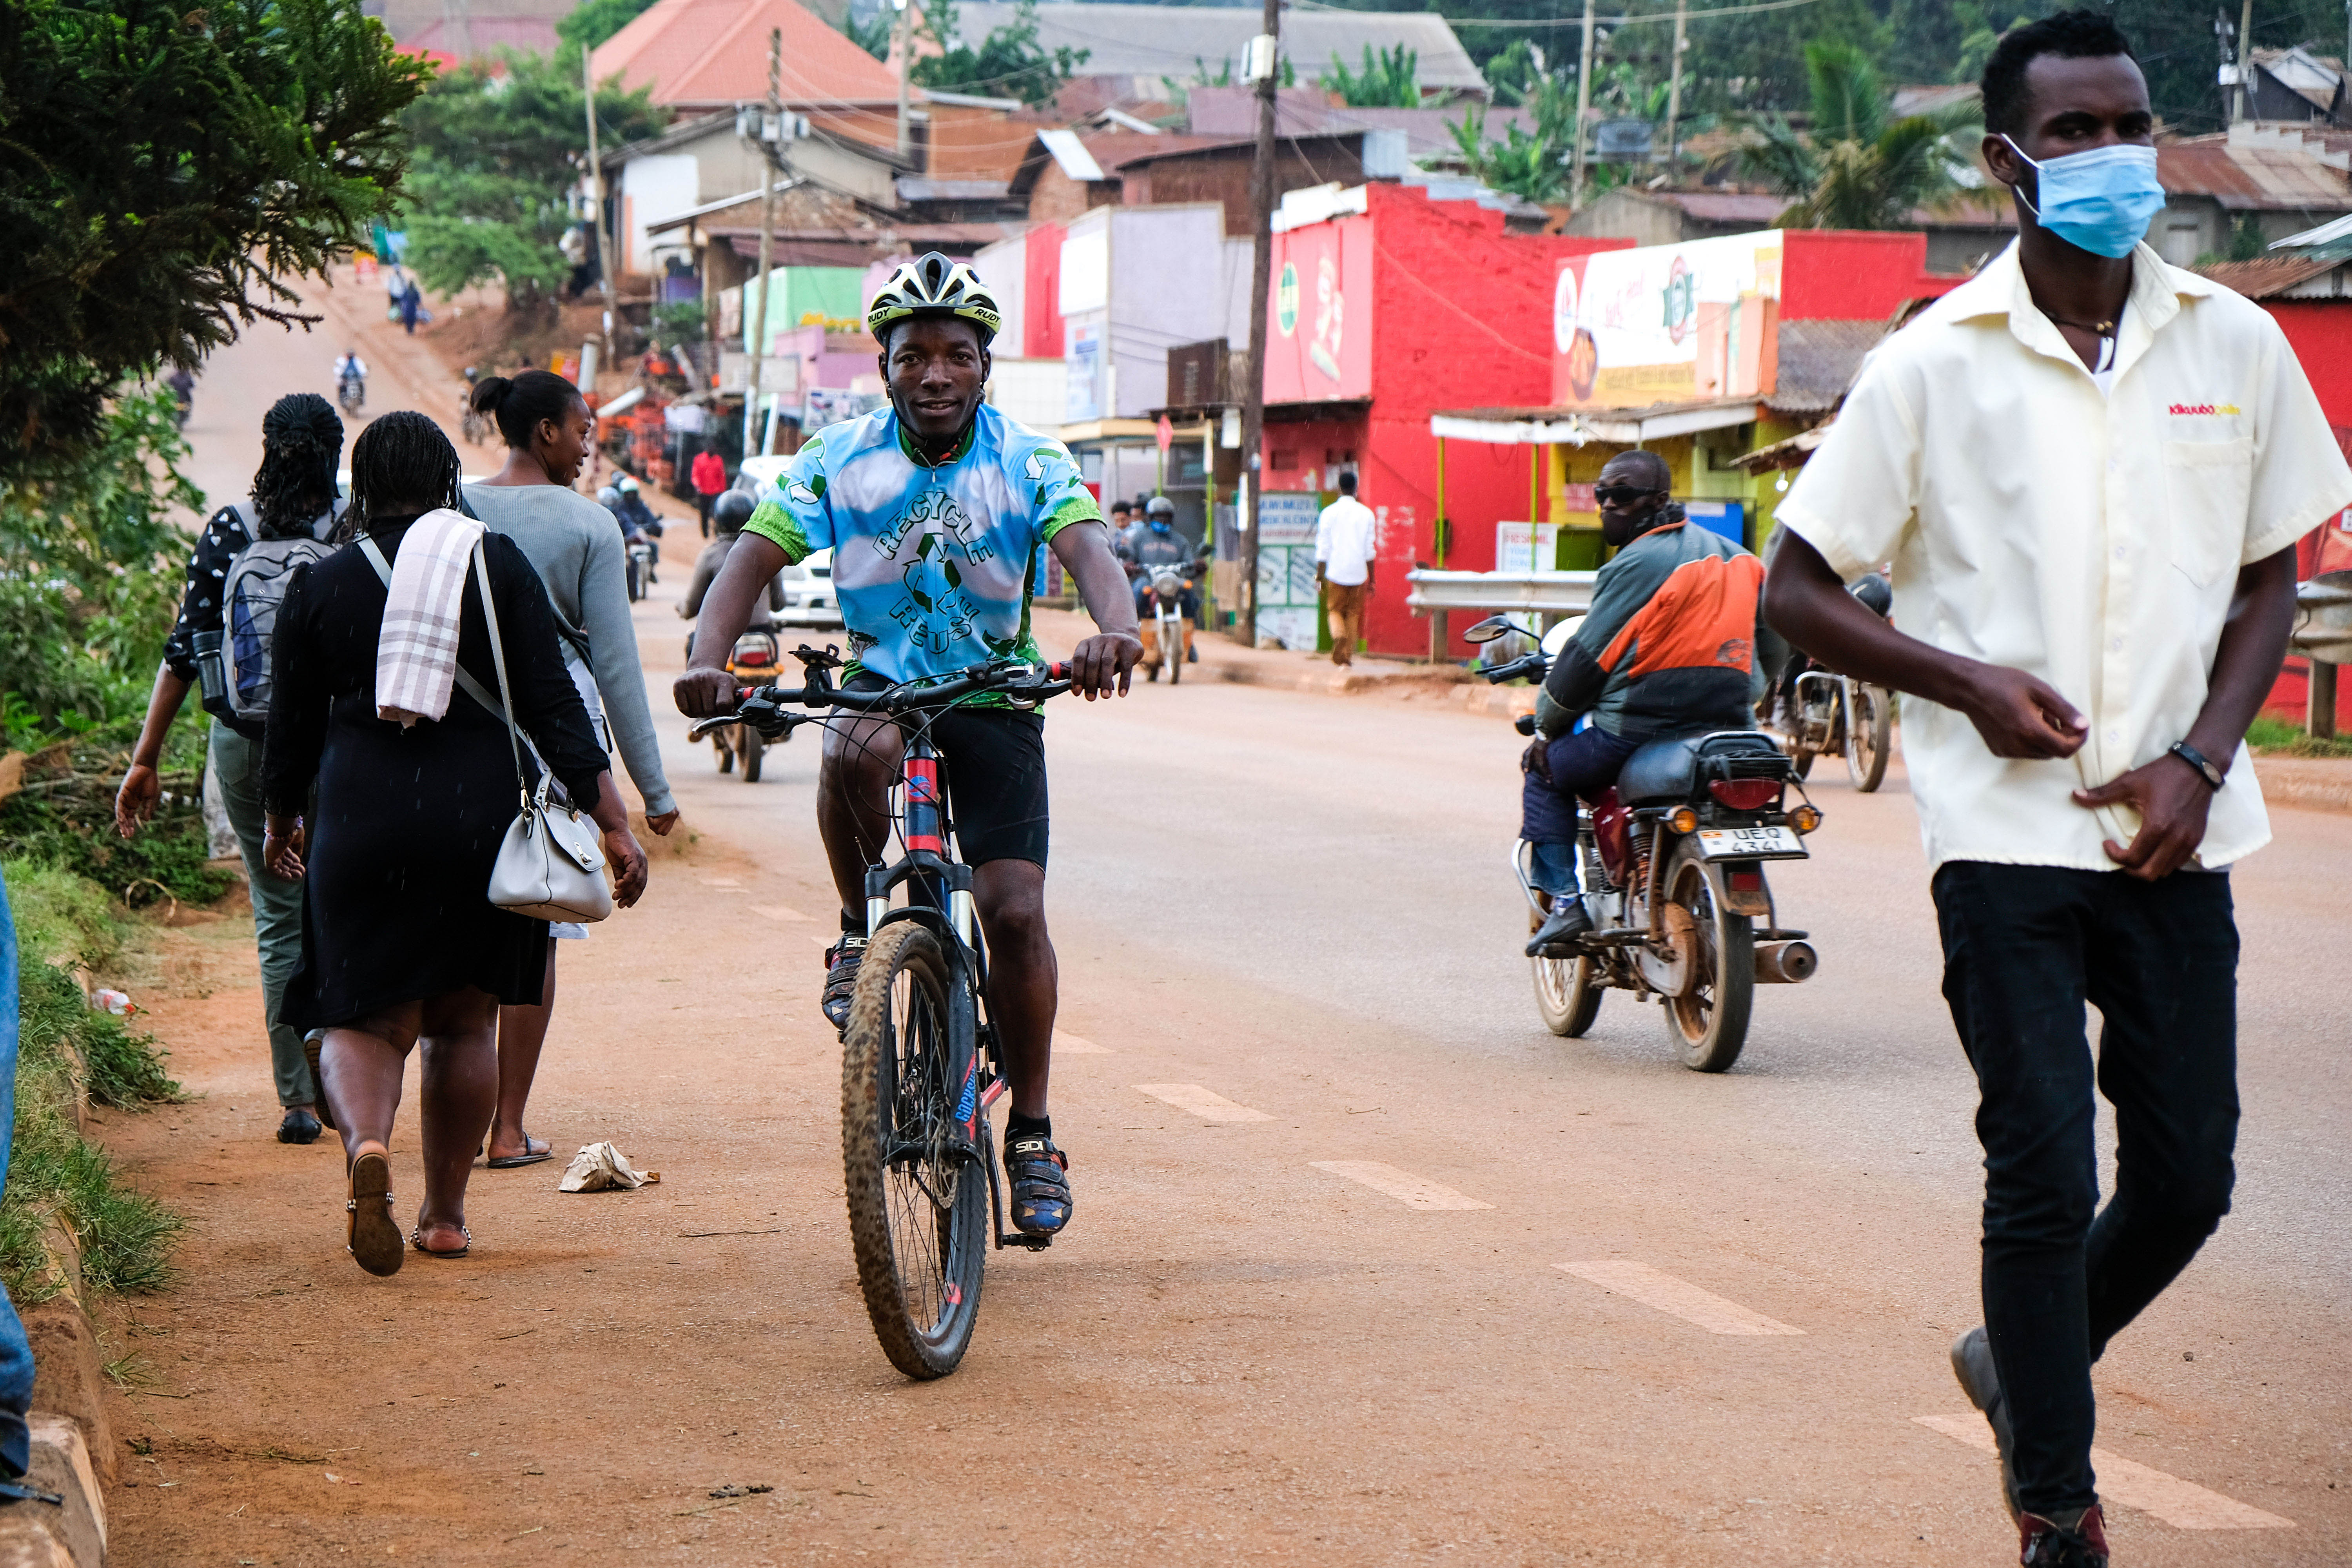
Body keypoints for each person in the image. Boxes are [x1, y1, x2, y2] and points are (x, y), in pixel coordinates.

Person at [1760, 15, 2352, 1566]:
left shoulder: (2233, 341)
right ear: (2005, 162)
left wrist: (2203, 756)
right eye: (2076, 133)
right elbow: (1797, 590)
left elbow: (2273, 571)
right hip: (2006, 839)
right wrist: (1965, 684)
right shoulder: (1930, 366)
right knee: (2040, 1163)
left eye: (2130, 125)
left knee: (2192, 1173)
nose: (2113, 158)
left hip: (2177, 833)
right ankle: (2057, 1508)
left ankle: (2017, 1358)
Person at [674, 252, 1143, 1238]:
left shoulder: (1031, 458)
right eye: (913, 356)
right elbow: (750, 557)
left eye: (957, 355)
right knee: (849, 751)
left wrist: (1118, 630)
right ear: (883, 369)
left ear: (985, 367)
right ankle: (857, 931)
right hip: (884, 686)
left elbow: (1090, 553)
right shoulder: (835, 458)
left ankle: (1034, 1136)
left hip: (996, 698)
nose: (935, 373)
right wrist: (707, 658)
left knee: (1014, 913)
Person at [261, 412, 646, 1274]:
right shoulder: (495, 561)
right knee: (463, 1020)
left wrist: (282, 818)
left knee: (365, 1013)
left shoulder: (321, 583)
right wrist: (613, 820)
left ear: (360, 486)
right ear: (445, 482)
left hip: (358, 816)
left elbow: (288, 728)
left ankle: (366, 1144)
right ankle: (443, 1215)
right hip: (479, 816)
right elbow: (553, 705)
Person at [115, 393, 349, 1145]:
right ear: (334, 451)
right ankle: (350, 1078)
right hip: (342, 746)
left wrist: (145, 758)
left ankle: (298, 1101)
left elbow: (187, 648)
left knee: (278, 917)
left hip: (246, 744)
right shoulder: (353, 525)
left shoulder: (229, 528)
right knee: (341, 907)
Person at [463, 371, 680, 1168]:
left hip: (460, 727)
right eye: (584, 428)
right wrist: (648, 793)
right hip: (556, 736)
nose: (591, 444)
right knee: (537, 923)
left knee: (466, 924)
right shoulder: (591, 524)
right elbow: (617, 667)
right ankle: (508, 1127)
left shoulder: (454, 503)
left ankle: (445, 1116)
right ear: (547, 432)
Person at [1521, 450, 1783, 955]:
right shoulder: (1741, 558)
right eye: (1602, 494)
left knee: (1544, 771)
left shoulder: (1638, 562)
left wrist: (1546, 728)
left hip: (1636, 730)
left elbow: (1586, 659)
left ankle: (1563, 903)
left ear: (1659, 501)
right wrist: (1748, 686)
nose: (1607, 506)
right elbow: (1773, 637)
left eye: (1621, 494)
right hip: (1727, 724)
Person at [681, 490, 784, 637]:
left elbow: (692, 607)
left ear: (717, 522)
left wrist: (682, 609)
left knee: (693, 647)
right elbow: (779, 604)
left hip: (721, 637)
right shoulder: (769, 552)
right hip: (763, 634)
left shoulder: (710, 555)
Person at [1314, 471, 1376, 667]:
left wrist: (1319, 576)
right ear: (1356, 488)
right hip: (1358, 573)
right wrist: (1372, 579)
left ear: (1339, 488)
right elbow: (1369, 551)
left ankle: (1339, 637)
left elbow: (1323, 549)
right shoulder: (1367, 514)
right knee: (1353, 614)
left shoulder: (1328, 514)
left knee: (1334, 610)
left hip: (1336, 572)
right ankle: (1346, 655)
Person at [691, 443, 727, 537]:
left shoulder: (719, 460)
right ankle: (705, 533)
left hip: (715, 492)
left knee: (716, 513)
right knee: (704, 513)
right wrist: (697, 485)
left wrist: (722, 491)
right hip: (703, 492)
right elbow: (695, 475)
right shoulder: (699, 459)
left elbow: (722, 477)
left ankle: (717, 532)